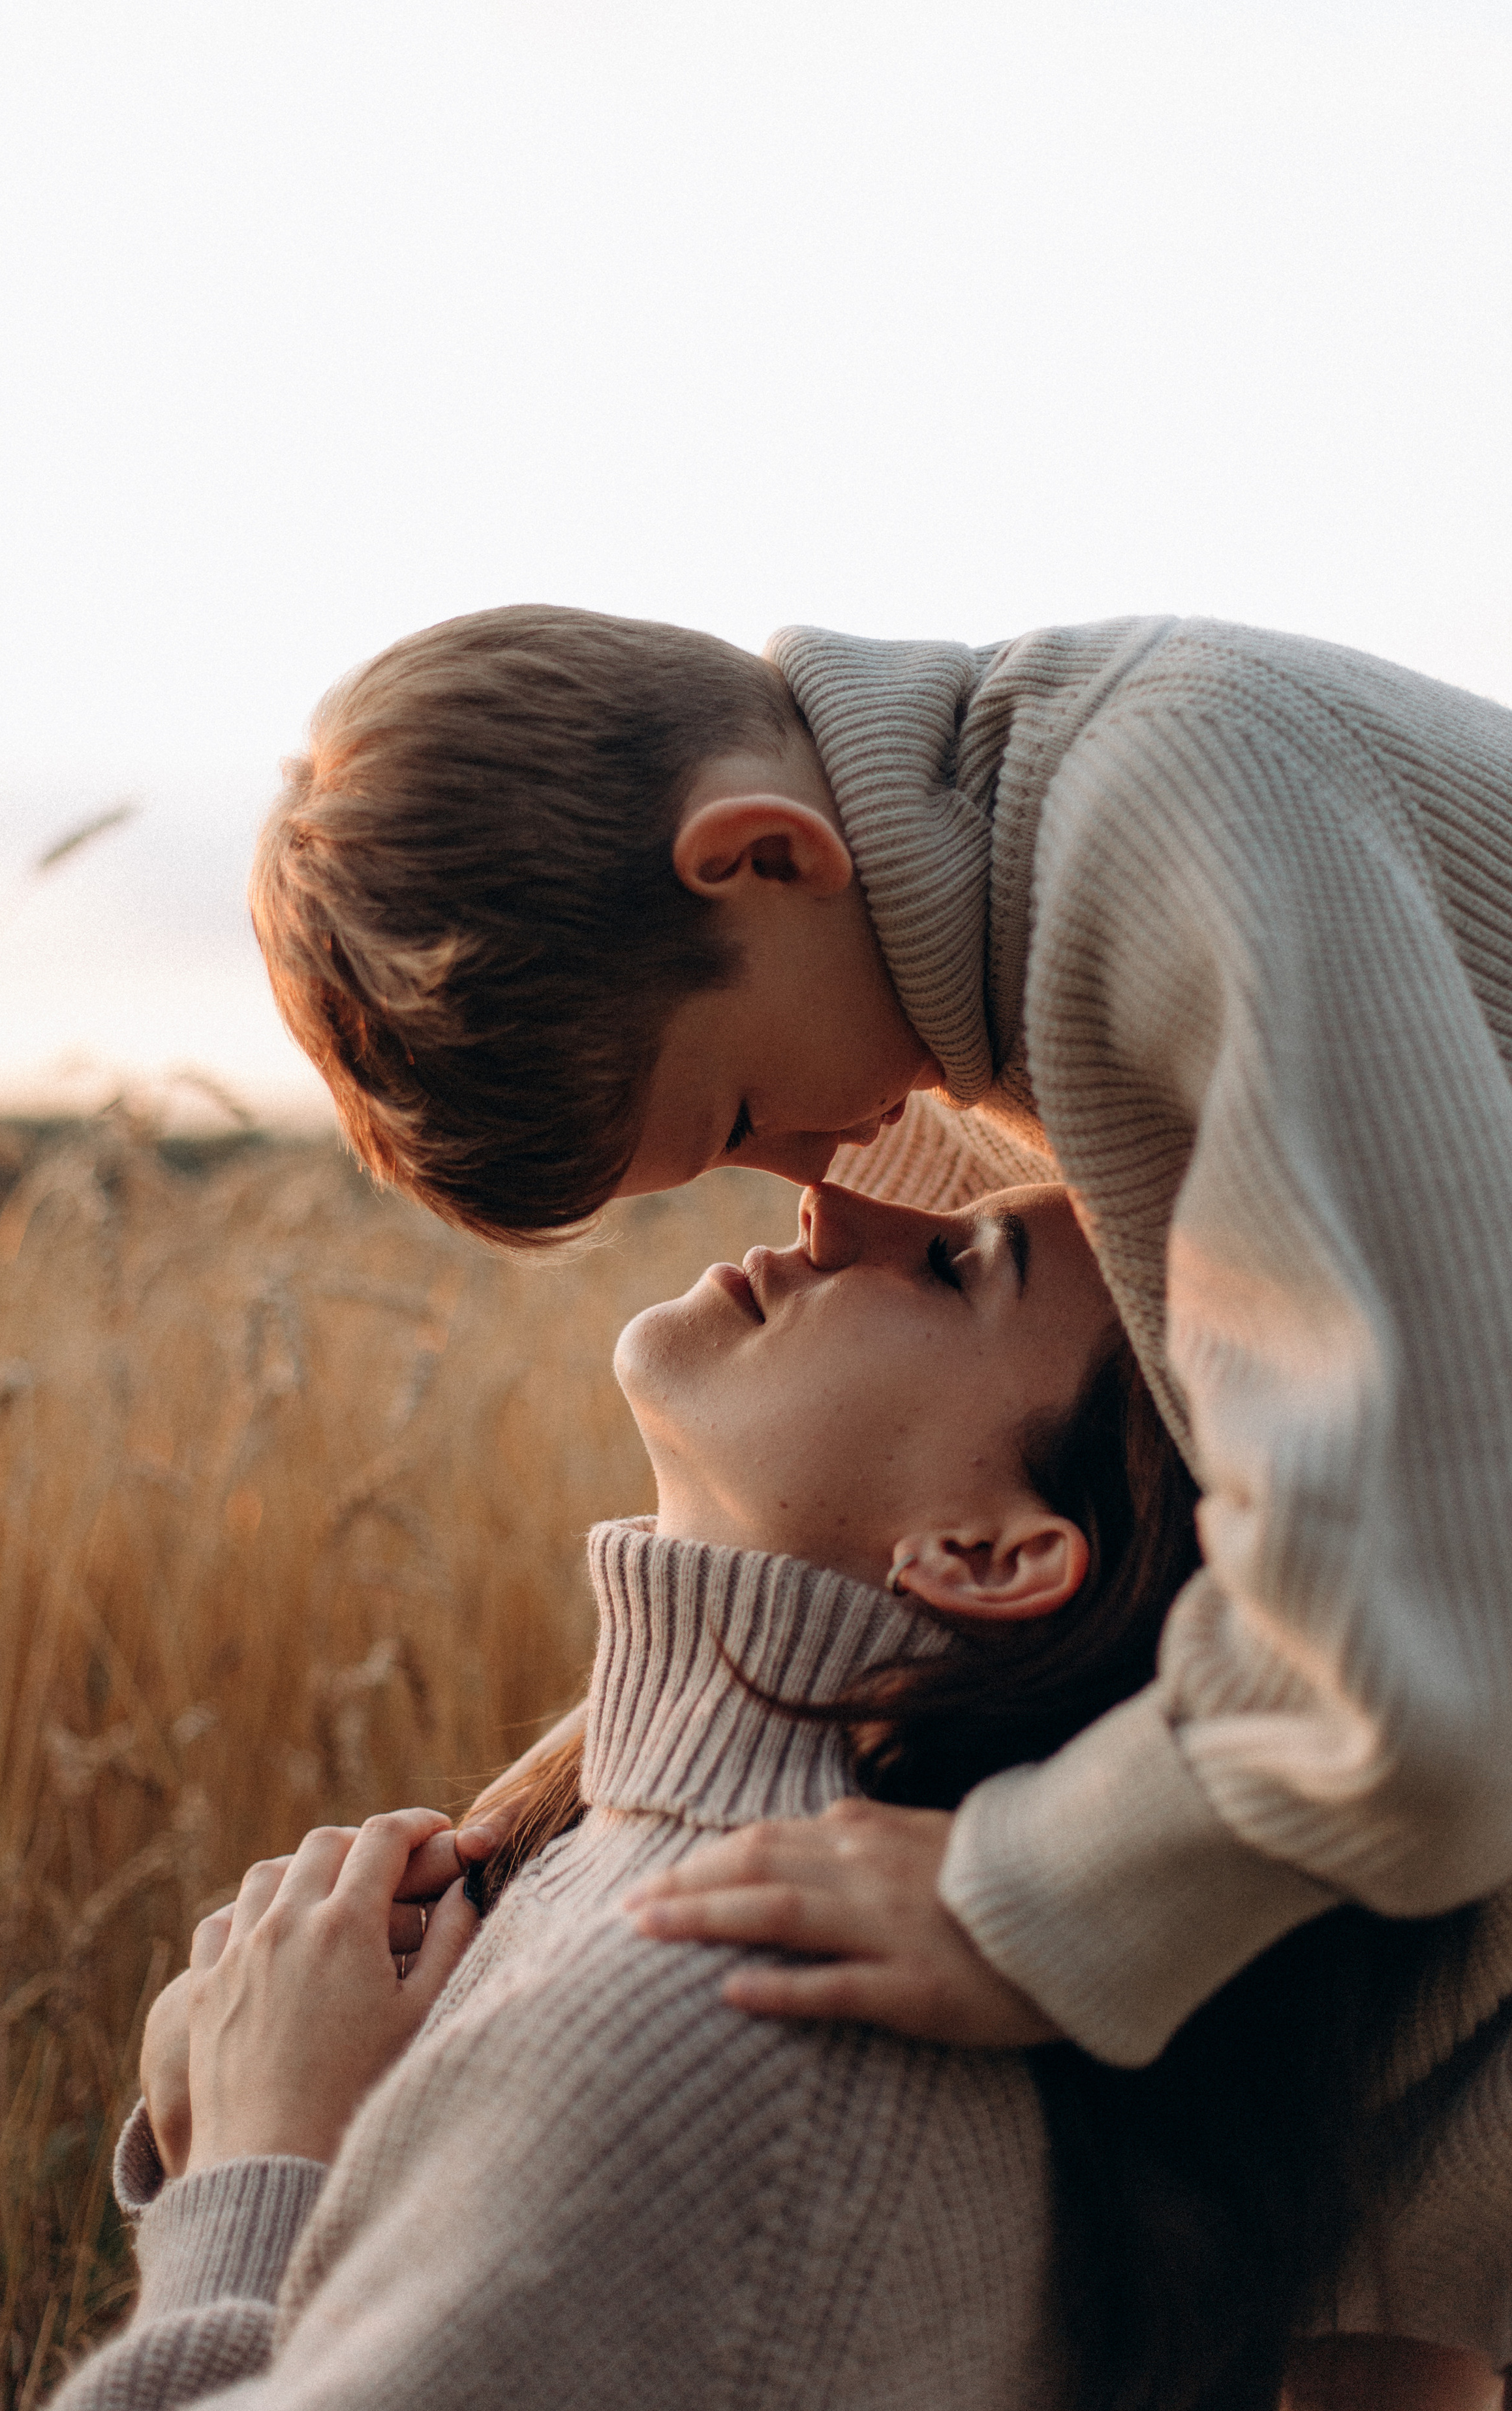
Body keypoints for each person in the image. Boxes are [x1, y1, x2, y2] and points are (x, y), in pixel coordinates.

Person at [14, 1185, 1509, 2411]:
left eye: (956, 1265)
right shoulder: (626, 1855)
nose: (832, 1209)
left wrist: (261, 2159)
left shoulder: (731, 2028)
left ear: (989, 1553)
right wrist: (250, 2111)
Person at [248, 602, 1512, 2094]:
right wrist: (512, 1846)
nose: (814, 1183)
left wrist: (1019, 1909)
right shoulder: (956, 950)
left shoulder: (1180, 815)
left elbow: (1442, 1640)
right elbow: (835, 1550)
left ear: (766, 856)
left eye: (733, 1118)